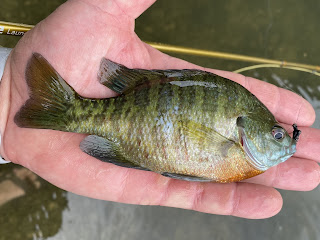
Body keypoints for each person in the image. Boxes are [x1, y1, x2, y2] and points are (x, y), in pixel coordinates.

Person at [0, 0, 319, 219]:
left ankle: (56, 111)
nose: (283, 140)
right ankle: (62, 110)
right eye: (278, 135)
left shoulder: (245, 153)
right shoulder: (241, 148)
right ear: (244, 128)